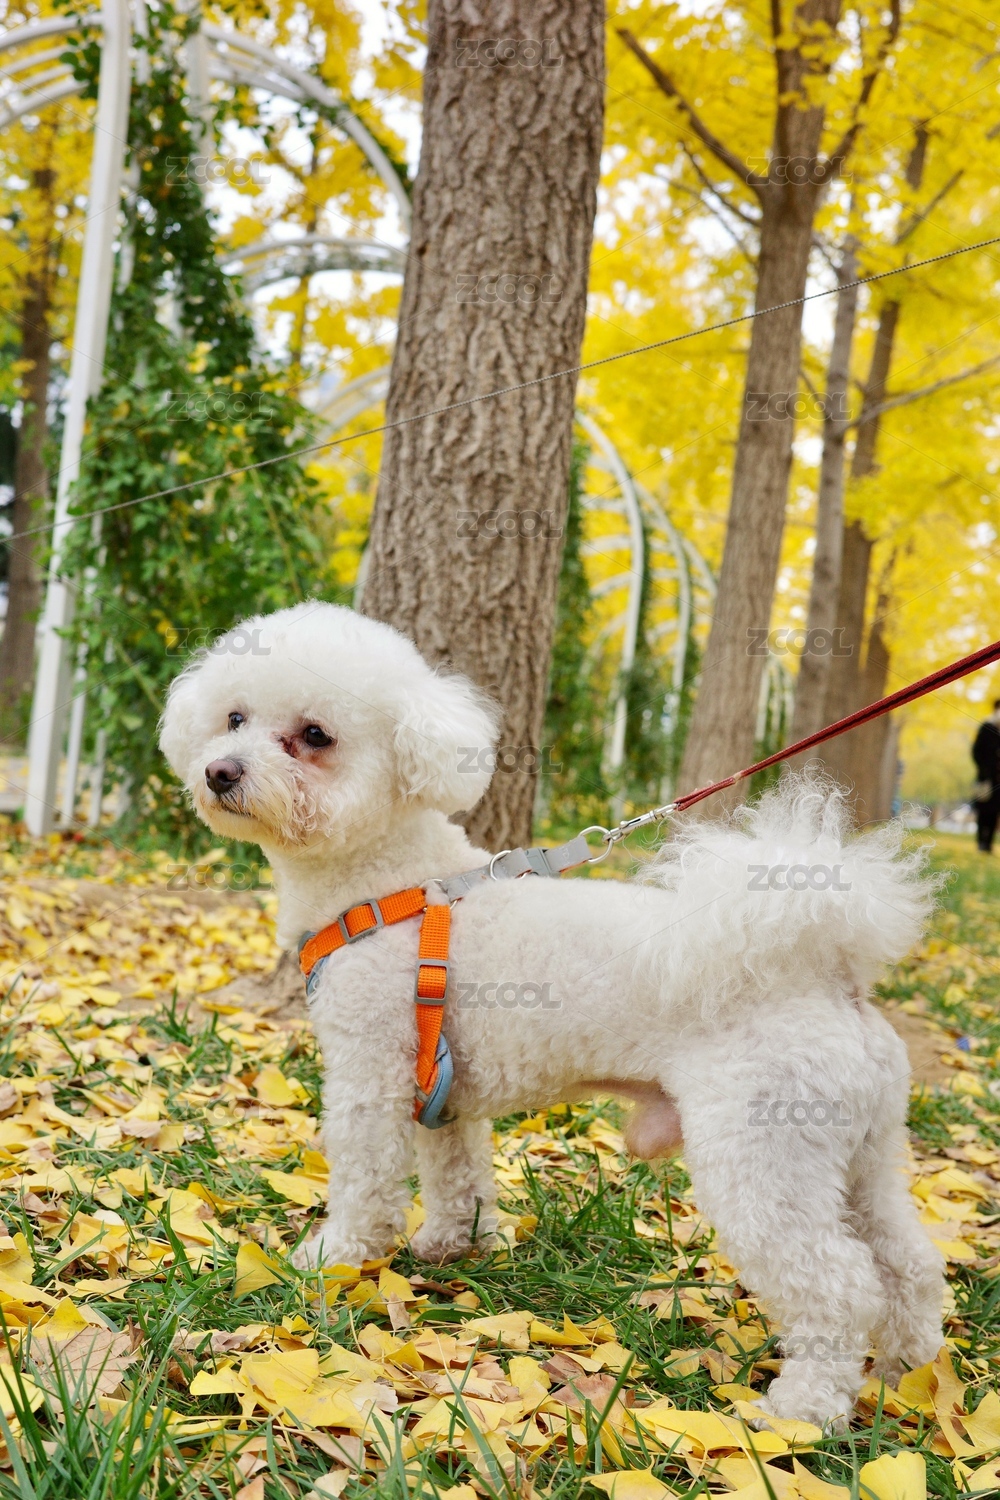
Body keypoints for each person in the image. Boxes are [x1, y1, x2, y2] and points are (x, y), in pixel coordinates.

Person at [972, 700, 1000, 852]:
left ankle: (988, 844)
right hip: (986, 778)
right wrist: (984, 770)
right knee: (983, 811)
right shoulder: (987, 728)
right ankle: (981, 842)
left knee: (994, 812)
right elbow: (976, 751)